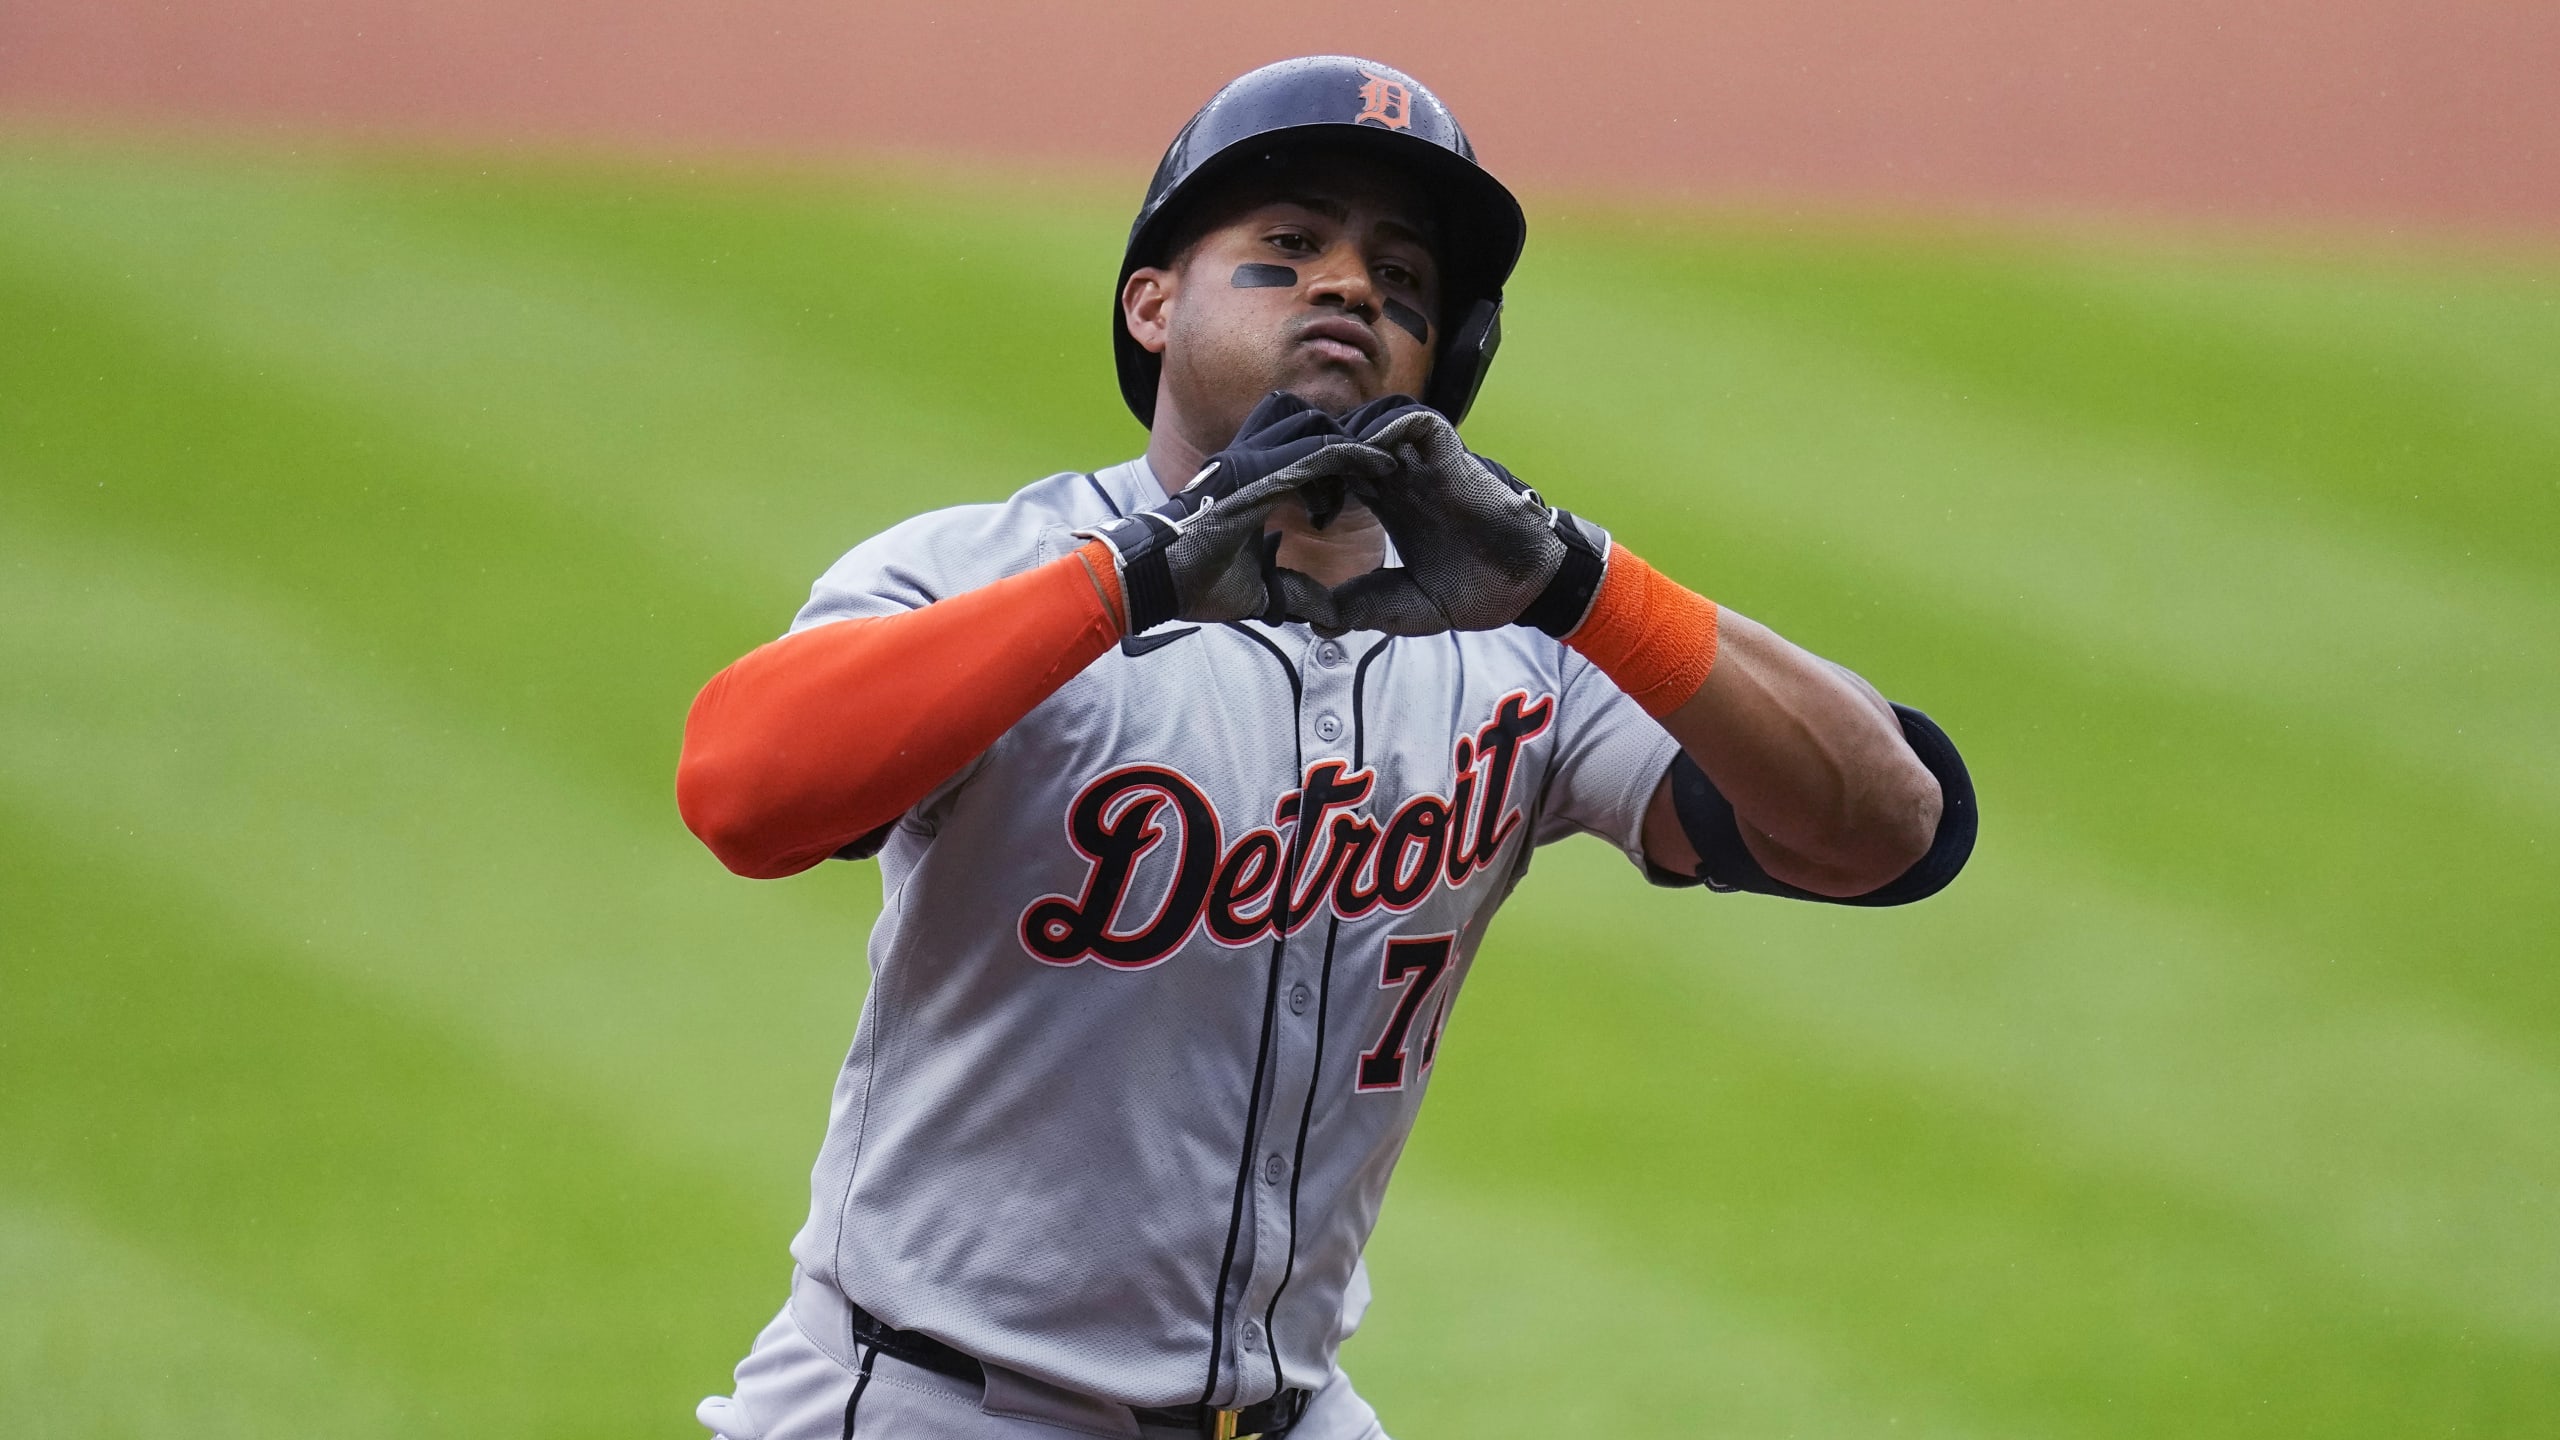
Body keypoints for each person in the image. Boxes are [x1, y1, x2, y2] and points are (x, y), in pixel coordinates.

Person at [677, 55, 1975, 1440]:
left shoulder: (1516, 642)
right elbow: (742, 795)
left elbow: (1891, 830)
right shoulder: (980, 574)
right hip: (933, 1405)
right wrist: (1138, 579)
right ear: (1153, 303)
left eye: (1401, 276)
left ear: (1449, 356)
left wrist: (1583, 584)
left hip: (1294, 1413)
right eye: (1289, 246)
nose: (1350, 285)